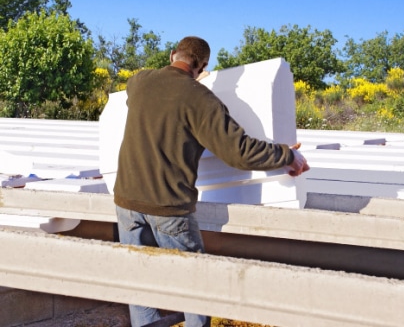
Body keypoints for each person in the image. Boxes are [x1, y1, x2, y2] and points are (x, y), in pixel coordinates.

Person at [113, 36, 310, 327]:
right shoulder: (201, 99)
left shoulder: (140, 82)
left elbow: (144, 92)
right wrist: (286, 156)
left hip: (126, 202)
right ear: (203, 66)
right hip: (168, 207)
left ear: (172, 55)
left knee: (138, 282)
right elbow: (239, 151)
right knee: (196, 284)